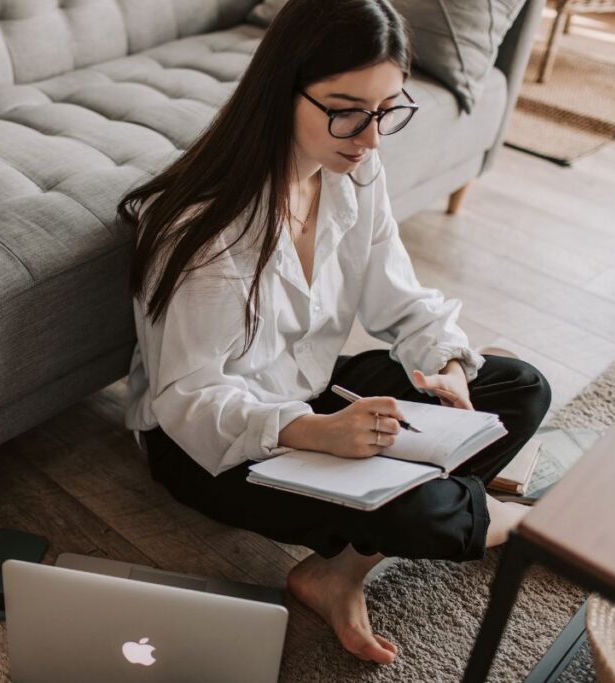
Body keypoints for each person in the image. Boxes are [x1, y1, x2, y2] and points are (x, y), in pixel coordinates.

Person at [116, 0, 552, 666]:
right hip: (215, 445)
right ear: (281, 90)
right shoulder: (206, 230)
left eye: (386, 111)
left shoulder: (354, 168)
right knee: (422, 510)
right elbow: (188, 398)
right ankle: (514, 520)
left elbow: (398, 295)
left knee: (518, 387)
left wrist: (447, 365)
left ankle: (339, 569)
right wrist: (315, 433)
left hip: (313, 392)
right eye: (348, 110)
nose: (371, 137)